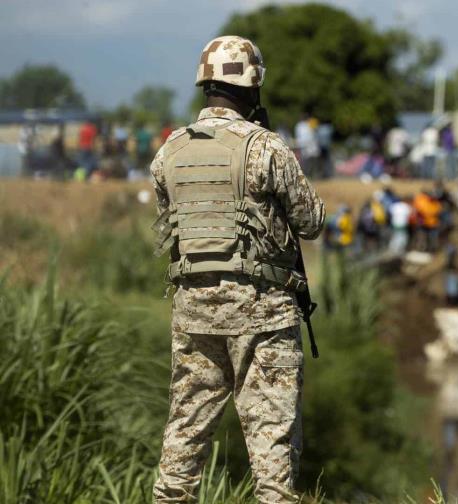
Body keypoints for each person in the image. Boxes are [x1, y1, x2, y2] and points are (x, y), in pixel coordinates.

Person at [150, 35, 325, 503]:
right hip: (263, 315)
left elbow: (173, 221)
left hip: (193, 312)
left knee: (184, 437)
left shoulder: (169, 151)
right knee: (272, 456)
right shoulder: (266, 147)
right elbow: (311, 222)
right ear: (252, 86)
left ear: (205, 84)